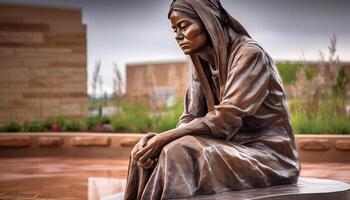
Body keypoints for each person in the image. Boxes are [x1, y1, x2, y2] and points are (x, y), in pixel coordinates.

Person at [124, 0, 300, 199]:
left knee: (179, 152)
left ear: (209, 21)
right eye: (174, 30)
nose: (178, 36)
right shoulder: (201, 62)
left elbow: (225, 118)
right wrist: (158, 141)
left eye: (184, 26)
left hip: (269, 157)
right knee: (146, 149)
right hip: (229, 148)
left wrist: (166, 138)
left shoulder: (249, 54)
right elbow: (190, 117)